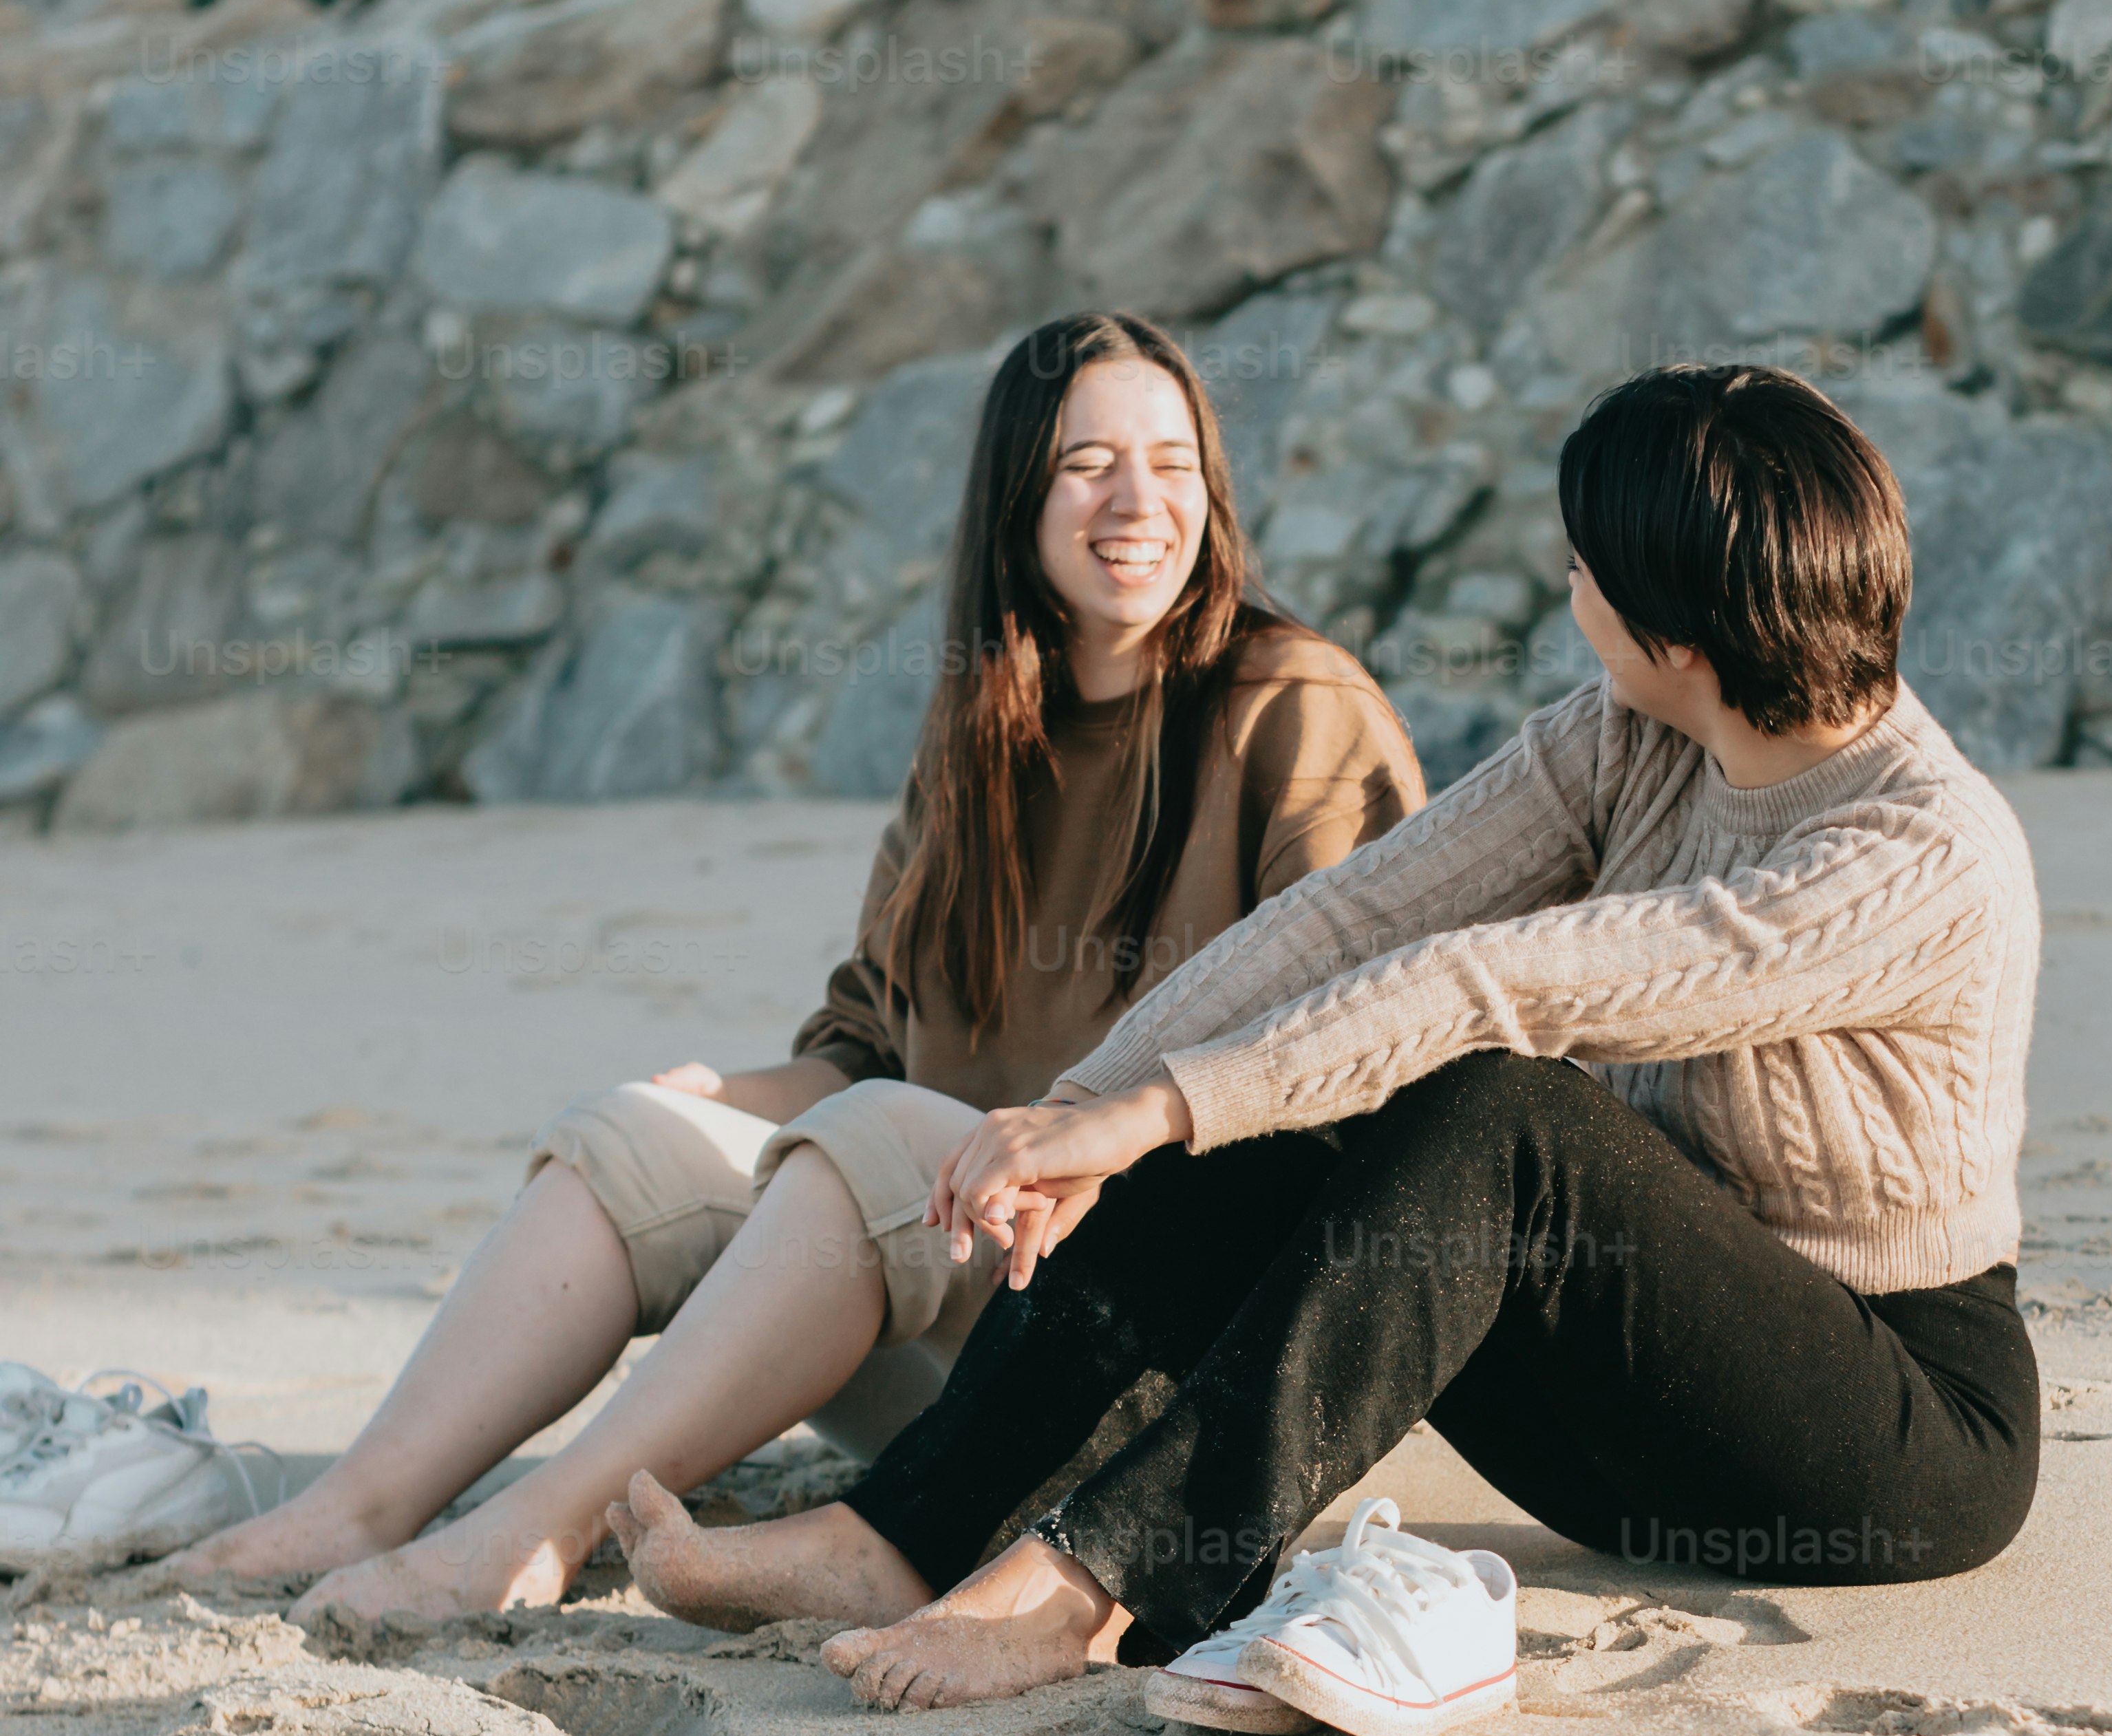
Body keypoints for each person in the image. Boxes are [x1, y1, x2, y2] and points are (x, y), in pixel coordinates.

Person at [606, 362, 2045, 1734]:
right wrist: (1096, 1108)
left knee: (1496, 1108)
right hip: (1634, 1396)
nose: (1568, 590)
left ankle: (1085, 1580)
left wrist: (1158, 1107)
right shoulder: (1630, 735)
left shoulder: (1922, 853)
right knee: (1264, 1115)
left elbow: (1497, 984)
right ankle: (900, 1537)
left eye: (1582, 570)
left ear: (1675, 633)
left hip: (1886, 1432)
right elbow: (1354, 916)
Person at [171, 312, 1424, 1623]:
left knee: (877, 1142)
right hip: (959, 1332)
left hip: (1164, 1362)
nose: (1137, 502)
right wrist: (717, 1091)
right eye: (1085, 463)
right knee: (629, 1134)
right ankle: (357, 1506)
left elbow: (1369, 1052)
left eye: (1173, 464)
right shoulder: (982, 732)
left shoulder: (1297, 706)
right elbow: (867, 1046)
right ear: (1017, 499)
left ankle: (531, 1534)